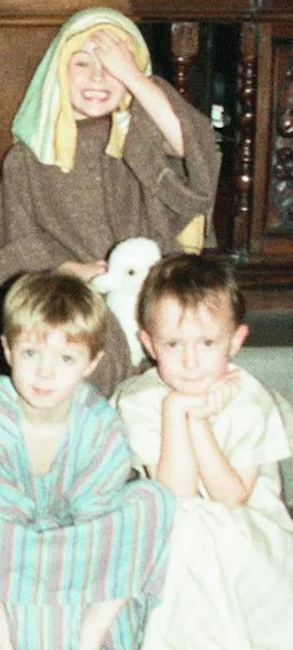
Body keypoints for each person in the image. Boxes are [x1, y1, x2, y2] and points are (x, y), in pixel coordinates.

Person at [0, 6, 220, 395]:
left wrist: (131, 74)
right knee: (75, 339)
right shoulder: (29, 158)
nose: (98, 77)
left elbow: (191, 145)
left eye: (111, 67)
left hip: (145, 284)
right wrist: (69, 269)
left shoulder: (136, 135)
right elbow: (19, 240)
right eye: (82, 63)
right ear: (59, 71)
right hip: (71, 285)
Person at [0, 271, 174, 650]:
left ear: (91, 363)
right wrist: (35, 546)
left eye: (66, 357)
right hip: (9, 543)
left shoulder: (99, 424)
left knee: (152, 499)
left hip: (79, 544)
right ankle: (1, 631)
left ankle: (92, 632)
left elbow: (95, 511)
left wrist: (60, 550)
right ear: (8, 350)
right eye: (31, 353)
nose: (45, 371)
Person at [112, 254, 293, 649]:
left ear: (237, 340)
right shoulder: (141, 399)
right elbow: (175, 492)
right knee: (182, 525)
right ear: (148, 343)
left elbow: (232, 497)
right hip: (175, 524)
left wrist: (200, 424)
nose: (191, 361)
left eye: (208, 343)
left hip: (251, 536)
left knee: (186, 530)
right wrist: (178, 410)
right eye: (174, 344)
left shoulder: (249, 400)